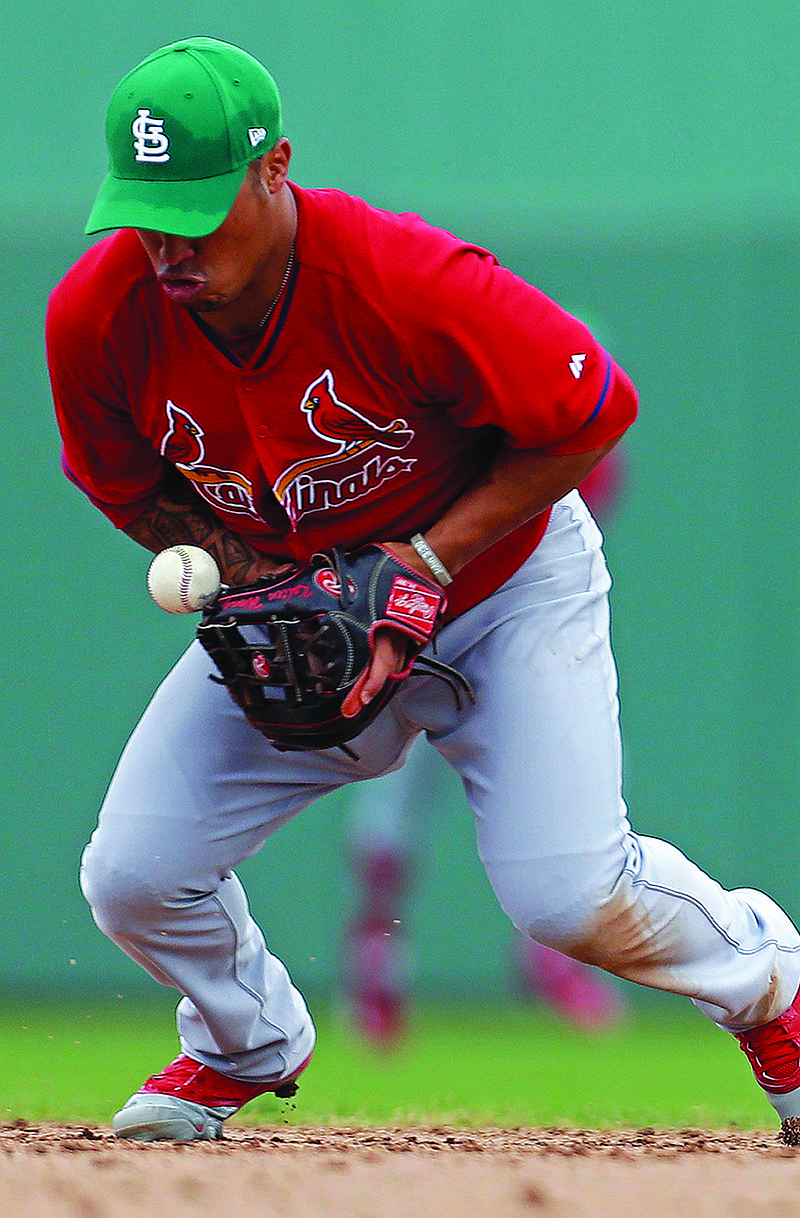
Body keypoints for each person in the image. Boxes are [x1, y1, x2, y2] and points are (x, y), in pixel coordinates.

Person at [46, 35, 800, 1145]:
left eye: (200, 206)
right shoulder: (98, 318)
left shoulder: (402, 279)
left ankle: (769, 985)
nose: (169, 240)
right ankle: (244, 1042)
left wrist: (420, 566)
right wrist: (264, 590)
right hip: (311, 606)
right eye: (147, 208)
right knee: (133, 875)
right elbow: (127, 486)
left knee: (565, 896)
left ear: (274, 169)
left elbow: (593, 412)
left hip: (503, 592)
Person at [343, 452, 628, 1046]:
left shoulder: (560, 392)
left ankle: (550, 958)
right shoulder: (422, 388)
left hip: (511, 607)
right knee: (390, 814)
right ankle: (376, 967)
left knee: (555, 812)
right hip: (403, 617)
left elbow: (580, 480)